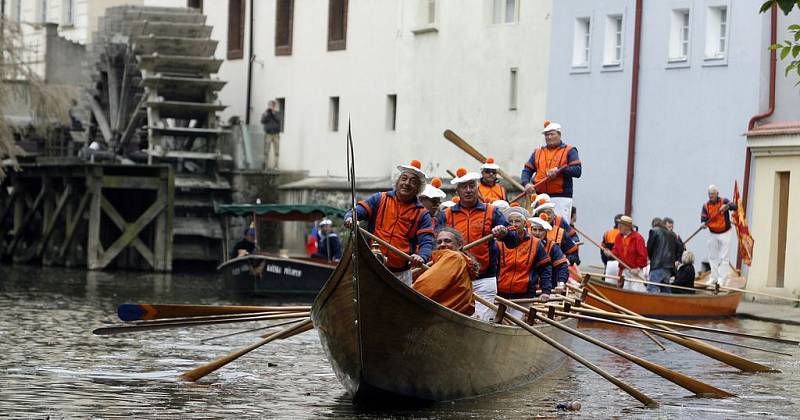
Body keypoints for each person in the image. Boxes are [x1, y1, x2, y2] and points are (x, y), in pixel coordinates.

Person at [436, 167, 520, 321]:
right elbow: (436, 247)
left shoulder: (492, 212)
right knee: (452, 320)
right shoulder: (445, 215)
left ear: (477, 188)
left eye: (471, 186)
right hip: (453, 278)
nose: (468, 190)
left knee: (480, 321)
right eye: (463, 187)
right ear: (457, 191)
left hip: (484, 279)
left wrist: (504, 233)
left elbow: (514, 240)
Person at [344, 160, 434, 286]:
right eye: (404, 179)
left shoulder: (422, 214)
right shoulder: (380, 198)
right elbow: (357, 211)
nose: (407, 183)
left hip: (400, 274)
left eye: (413, 181)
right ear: (397, 182)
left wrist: (422, 257)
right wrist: (350, 218)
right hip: (372, 268)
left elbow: (427, 241)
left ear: (417, 189)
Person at [496, 207, 552, 319]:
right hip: (500, 296)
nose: (513, 224)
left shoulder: (536, 244)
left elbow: (545, 268)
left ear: (525, 223)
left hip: (524, 296)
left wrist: (546, 291)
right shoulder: (498, 243)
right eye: (510, 221)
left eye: (517, 221)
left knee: (515, 322)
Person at [521, 121, 582, 221]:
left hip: (561, 197)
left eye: (552, 134)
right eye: (546, 135)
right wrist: (526, 183)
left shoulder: (570, 150)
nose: (549, 137)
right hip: (540, 196)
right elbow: (527, 170)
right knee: (539, 225)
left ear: (559, 135)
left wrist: (559, 171)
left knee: (559, 226)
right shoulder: (538, 152)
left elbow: (577, 171)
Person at [413, 227, 476, 316]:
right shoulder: (459, 260)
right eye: (439, 242)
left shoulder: (453, 257)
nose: (442, 244)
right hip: (450, 314)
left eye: (447, 241)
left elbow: (427, 287)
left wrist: (404, 295)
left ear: (459, 245)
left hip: (441, 314)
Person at [701, 184, 737, 285]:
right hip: (713, 233)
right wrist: (703, 224)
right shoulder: (706, 205)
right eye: (709, 194)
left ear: (717, 193)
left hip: (725, 232)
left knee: (724, 257)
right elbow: (703, 219)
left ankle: (722, 279)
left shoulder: (724, 201)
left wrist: (727, 206)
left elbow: (735, 206)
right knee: (712, 256)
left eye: (712, 194)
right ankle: (713, 278)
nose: (710, 196)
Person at [531, 198, 579, 266]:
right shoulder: (528, 231)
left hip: (555, 272)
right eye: (543, 213)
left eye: (548, 213)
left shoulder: (561, 233)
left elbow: (573, 253)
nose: (546, 216)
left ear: (554, 216)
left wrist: (566, 263)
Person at [605, 215, 648, 290]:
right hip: (624, 270)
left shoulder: (638, 238)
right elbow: (616, 251)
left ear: (628, 227)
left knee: (636, 291)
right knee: (625, 289)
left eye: (621, 225)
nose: (619, 227)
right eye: (619, 225)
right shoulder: (619, 237)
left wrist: (638, 268)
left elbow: (643, 256)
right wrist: (610, 253)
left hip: (635, 271)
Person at [529, 215, 569, 290]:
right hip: (526, 290)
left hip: (547, 290)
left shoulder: (552, 246)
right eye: (534, 230)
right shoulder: (524, 244)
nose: (537, 233)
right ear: (530, 231)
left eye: (540, 230)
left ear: (546, 232)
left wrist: (561, 283)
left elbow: (562, 267)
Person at [646, 218, 679, 293]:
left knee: (652, 288)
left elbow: (649, 248)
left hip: (657, 264)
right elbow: (679, 248)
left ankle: (652, 304)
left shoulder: (654, 231)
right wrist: (676, 259)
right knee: (665, 289)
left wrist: (652, 259)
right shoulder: (672, 234)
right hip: (669, 267)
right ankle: (668, 304)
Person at [261, 100, 282, 170]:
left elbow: (279, 120)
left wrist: (273, 113)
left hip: (276, 134)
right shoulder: (266, 113)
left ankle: (276, 166)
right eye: (270, 105)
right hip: (268, 134)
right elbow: (262, 121)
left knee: (276, 151)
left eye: (272, 105)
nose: (271, 107)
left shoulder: (277, 113)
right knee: (266, 150)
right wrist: (266, 114)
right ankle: (265, 166)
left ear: (274, 106)